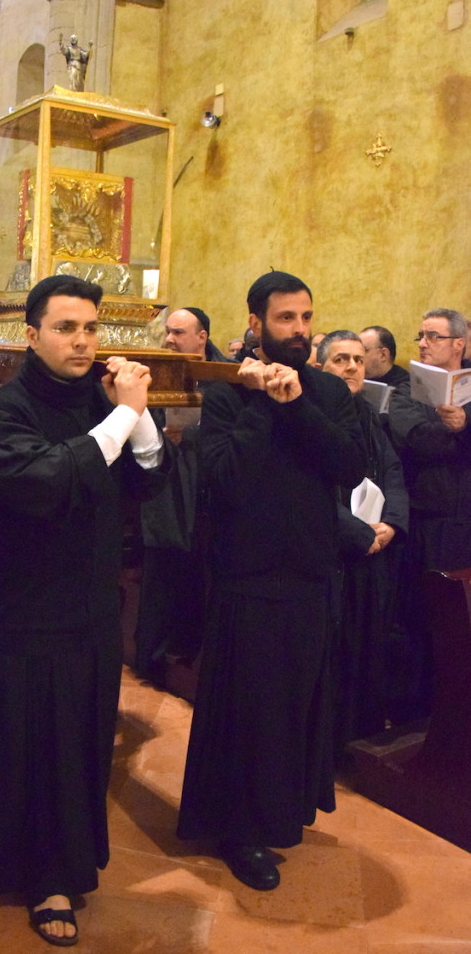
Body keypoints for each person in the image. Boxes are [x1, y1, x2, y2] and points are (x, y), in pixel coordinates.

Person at [0, 274, 169, 947]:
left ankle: (71, 864)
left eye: (91, 328)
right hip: (29, 611)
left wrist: (137, 418)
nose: (83, 342)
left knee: (82, 746)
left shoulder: (104, 399)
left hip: (90, 608)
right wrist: (122, 414)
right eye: (66, 328)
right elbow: (45, 481)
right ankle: (41, 879)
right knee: (35, 748)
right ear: (32, 335)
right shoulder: (1, 411)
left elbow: (148, 478)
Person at [177, 270, 366, 891]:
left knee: (294, 705)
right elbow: (225, 479)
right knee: (249, 708)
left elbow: (348, 465)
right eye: (286, 319)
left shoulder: (327, 391)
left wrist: (298, 405)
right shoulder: (229, 390)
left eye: (306, 318)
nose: (300, 331)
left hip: (310, 573)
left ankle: (283, 811)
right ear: (256, 324)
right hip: (248, 576)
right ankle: (239, 827)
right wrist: (262, 401)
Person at [317, 331, 408, 754]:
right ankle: (328, 744)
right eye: (340, 359)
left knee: (366, 647)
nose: (352, 366)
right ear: (320, 368)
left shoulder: (370, 416)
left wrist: (390, 524)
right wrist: (356, 534)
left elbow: (392, 472)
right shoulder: (313, 416)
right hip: (331, 556)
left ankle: (358, 736)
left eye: (357, 359)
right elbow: (306, 490)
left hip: (371, 556)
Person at [387, 308, 471, 717]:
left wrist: (465, 425)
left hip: (467, 522)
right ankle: (419, 709)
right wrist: (456, 433)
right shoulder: (407, 391)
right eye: (420, 335)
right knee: (427, 621)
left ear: (459, 343)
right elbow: (416, 438)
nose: (422, 342)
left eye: (434, 336)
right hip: (428, 523)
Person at [136, 307, 227, 686]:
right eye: (167, 333)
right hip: (169, 490)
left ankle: (196, 652)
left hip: (211, 490)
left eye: (178, 332)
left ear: (202, 337)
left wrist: (193, 434)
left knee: (204, 576)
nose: (169, 339)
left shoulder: (226, 376)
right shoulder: (155, 373)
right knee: (163, 575)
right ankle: (152, 656)